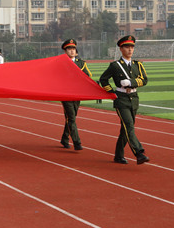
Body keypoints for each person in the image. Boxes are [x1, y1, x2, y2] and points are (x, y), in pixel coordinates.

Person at [99, 35, 150, 165]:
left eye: (132, 47)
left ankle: (118, 155)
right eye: (127, 47)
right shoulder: (115, 65)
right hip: (121, 99)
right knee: (129, 126)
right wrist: (111, 92)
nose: (130, 49)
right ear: (121, 49)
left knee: (125, 129)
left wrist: (131, 82)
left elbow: (144, 80)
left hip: (133, 99)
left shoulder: (138, 65)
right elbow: (103, 79)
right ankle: (139, 153)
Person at [59, 39, 92, 151]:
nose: (72, 51)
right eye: (69, 49)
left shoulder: (81, 63)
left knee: (71, 117)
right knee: (71, 117)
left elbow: (88, 75)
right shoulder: (61, 63)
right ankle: (77, 142)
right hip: (66, 93)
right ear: (65, 51)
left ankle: (64, 138)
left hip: (77, 94)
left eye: (73, 49)